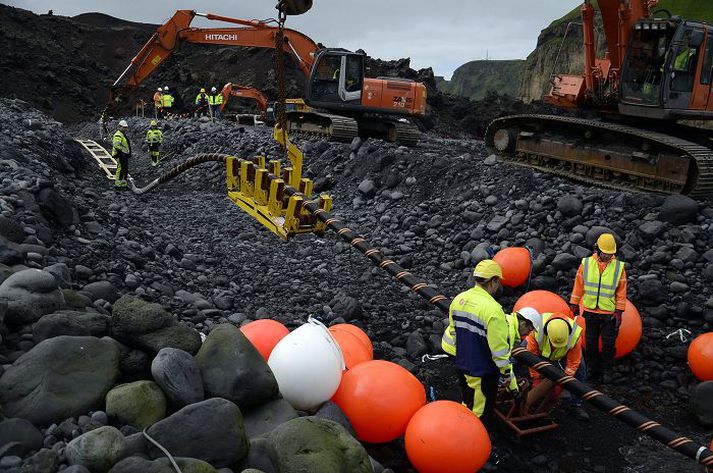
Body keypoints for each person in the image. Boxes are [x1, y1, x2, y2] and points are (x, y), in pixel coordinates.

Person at [449, 259, 519, 421]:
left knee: (467, 401)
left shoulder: (459, 299)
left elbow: (454, 334)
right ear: (494, 281)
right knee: (479, 415)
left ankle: (458, 434)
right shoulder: (493, 310)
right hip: (482, 372)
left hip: (462, 363)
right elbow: (499, 350)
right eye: (498, 282)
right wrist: (506, 374)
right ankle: (471, 442)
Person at [569, 233, 627, 383]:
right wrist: (574, 303)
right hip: (590, 311)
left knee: (608, 344)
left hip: (609, 313)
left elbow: (621, 291)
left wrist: (619, 312)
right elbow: (578, 285)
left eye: (610, 254)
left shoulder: (618, 268)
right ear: (597, 249)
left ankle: (606, 370)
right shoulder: (586, 264)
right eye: (605, 253)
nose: (607, 256)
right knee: (591, 343)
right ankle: (592, 369)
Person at [525, 312, 589, 420]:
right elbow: (531, 356)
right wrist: (536, 377)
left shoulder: (575, 337)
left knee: (581, 370)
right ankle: (508, 384)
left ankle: (575, 404)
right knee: (519, 354)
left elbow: (572, 364)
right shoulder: (537, 330)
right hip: (542, 350)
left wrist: (562, 383)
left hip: (564, 354)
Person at [112, 120, 131, 190]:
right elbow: (117, 145)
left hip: (123, 155)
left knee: (125, 170)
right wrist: (124, 151)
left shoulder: (122, 134)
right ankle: (118, 185)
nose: (125, 129)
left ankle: (123, 185)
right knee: (120, 169)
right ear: (119, 127)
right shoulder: (118, 135)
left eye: (126, 127)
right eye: (124, 127)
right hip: (120, 155)